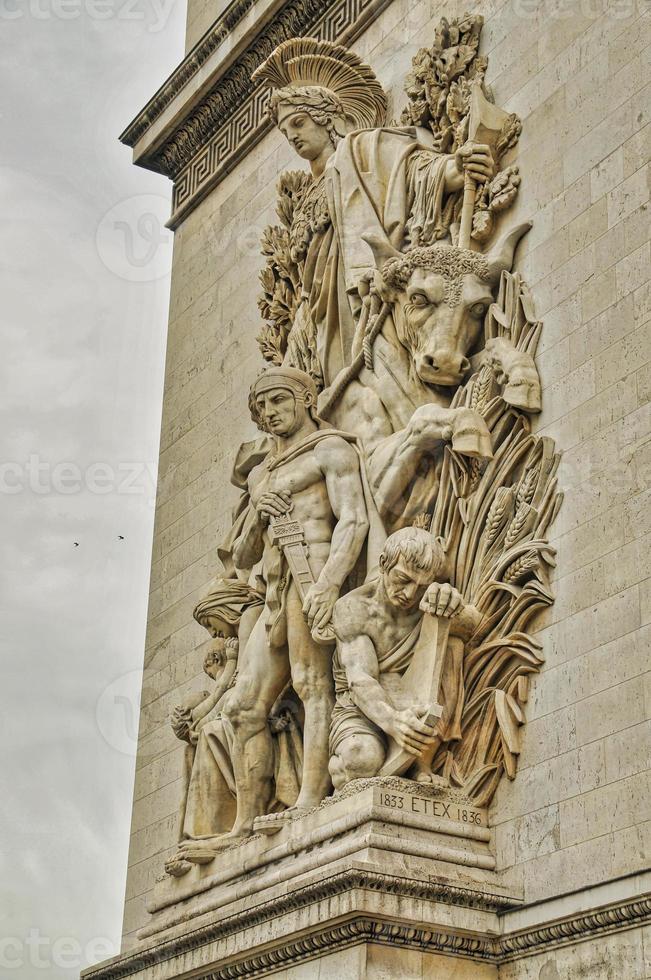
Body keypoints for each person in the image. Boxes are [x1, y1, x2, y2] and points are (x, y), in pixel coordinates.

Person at [179, 366, 370, 863]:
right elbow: (242, 555)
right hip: (273, 595)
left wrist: (329, 585)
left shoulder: (331, 449)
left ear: (306, 398)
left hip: (314, 580)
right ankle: (247, 819)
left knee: (312, 683)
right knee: (244, 705)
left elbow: (354, 519)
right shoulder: (262, 474)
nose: (269, 413)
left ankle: (309, 797)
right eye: (260, 407)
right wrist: (259, 511)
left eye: (278, 400)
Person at [252, 38, 495, 387]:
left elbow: (411, 167)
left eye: (299, 122)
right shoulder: (306, 196)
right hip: (321, 312)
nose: (292, 136)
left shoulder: (361, 147)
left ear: (329, 118)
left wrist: (454, 169)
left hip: (362, 292)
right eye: (285, 129)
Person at [328, 526, 482, 788]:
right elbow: (361, 679)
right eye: (403, 579)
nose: (410, 594)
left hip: (414, 702)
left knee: (452, 645)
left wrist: (452, 602)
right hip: (361, 710)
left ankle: (422, 761)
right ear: (383, 565)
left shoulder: (426, 601)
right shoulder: (352, 609)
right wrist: (393, 721)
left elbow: (475, 626)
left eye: (421, 586)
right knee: (360, 759)